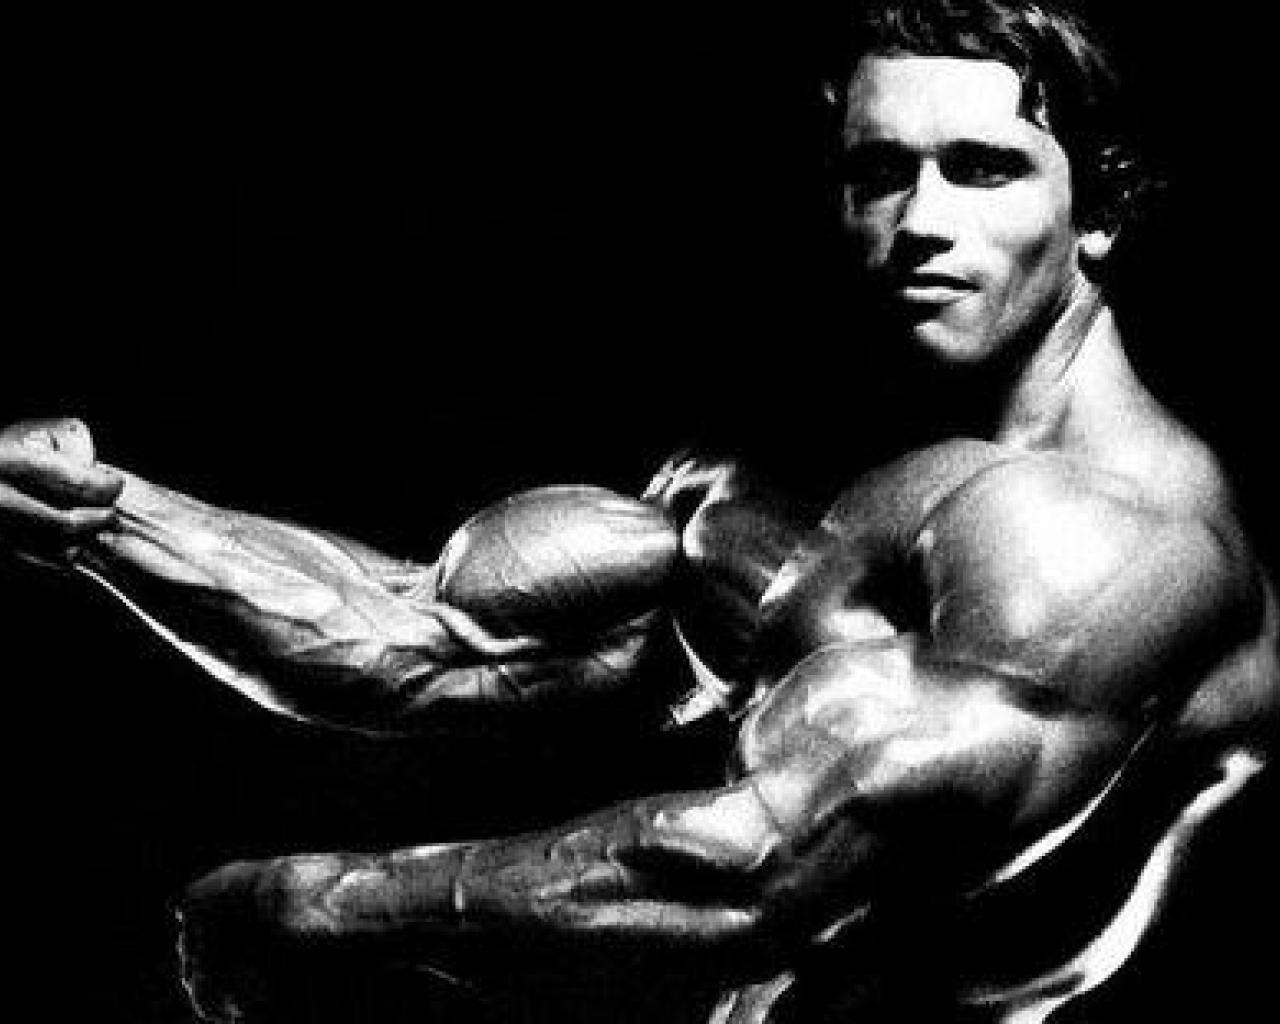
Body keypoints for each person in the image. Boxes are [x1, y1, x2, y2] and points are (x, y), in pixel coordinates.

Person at [2, 1, 1276, 1021]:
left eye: (983, 171)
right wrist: (97, 516)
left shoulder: (1112, 545)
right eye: (879, 174)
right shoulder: (841, 480)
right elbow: (431, 640)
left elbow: (750, 877)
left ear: (1099, 212)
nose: (918, 224)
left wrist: (310, 905)